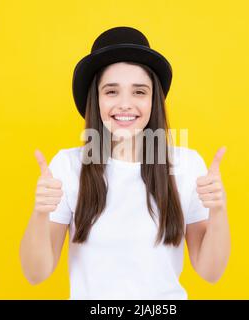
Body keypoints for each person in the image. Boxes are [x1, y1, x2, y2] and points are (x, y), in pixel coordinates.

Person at [20, 26, 231, 300]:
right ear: (95, 99)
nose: (125, 104)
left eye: (139, 92)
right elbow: (36, 274)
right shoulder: (68, 166)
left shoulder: (187, 165)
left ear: (153, 100)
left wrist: (218, 211)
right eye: (111, 92)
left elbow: (210, 272)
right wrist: (40, 213)